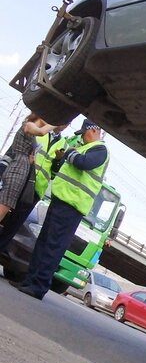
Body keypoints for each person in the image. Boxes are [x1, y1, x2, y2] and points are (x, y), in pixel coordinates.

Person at [16, 120, 109, 300]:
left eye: (84, 133)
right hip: (59, 201)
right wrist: (62, 158)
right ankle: (29, 281)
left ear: (94, 130)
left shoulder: (100, 150)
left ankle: (38, 286)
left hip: (72, 207)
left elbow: (82, 163)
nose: (81, 136)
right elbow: (63, 168)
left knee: (53, 247)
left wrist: (69, 152)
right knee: (43, 243)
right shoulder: (84, 147)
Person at [0, 115, 65, 256]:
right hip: (19, 175)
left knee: (12, 222)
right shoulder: (35, 128)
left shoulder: (63, 143)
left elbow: (53, 173)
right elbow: (16, 149)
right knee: (3, 211)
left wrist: (57, 161)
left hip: (35, 187)